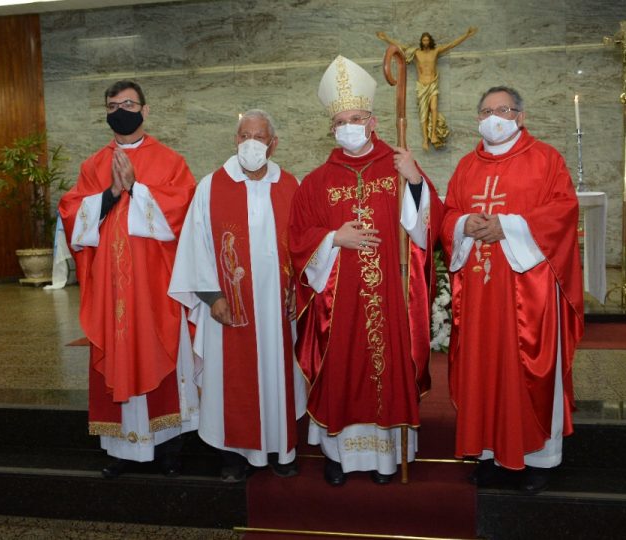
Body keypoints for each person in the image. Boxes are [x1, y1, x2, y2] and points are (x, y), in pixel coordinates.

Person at [289, 55, 443, 486]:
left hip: (390, 296)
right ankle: (337, 455)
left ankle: (386, 459)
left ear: (373, 121)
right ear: (332, 128)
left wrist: (414, 182)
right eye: (341, 120)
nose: (349, 125)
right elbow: (297, 237)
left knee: (385, 368)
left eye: (356, 117)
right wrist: (333, 238)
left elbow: (426, 228)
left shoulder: (397, 166)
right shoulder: (316, 182)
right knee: (341, 370)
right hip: (338, 304)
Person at [441, 86, 584, 494]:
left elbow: (562, 211)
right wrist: (464, 223)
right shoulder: (467, 166)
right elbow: (449, 212)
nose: (493, 117)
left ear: (520, 116)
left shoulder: (546, 159)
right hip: (481, 294)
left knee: (527, 372)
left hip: (530, 292)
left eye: (501, 109)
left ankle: (539, 458)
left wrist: (509, 225)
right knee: (483, 369)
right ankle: (488, 453)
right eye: (485, 110)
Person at [58, 80, 199, 479]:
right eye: (113, 104)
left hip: (155, 287)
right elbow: (71, 213)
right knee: (117, 358)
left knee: (161, 356)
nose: (121, 110)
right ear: (106, 112)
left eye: (129, 103)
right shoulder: (93, 165)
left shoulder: (170, 161)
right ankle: (122, 451)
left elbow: (183, 209)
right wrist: (108, 194)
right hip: (111, 290)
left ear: (145, 110)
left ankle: (171, 447)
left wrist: (137, 187)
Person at [169, 109, 306, 483]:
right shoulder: (211, 187)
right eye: (244, 135)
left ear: (273, 144)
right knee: (231, 380)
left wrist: (299, 289)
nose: (251, 143)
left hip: (279, 308)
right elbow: (194, 247)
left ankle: (282, 450)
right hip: (230, 308)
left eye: (259, 137)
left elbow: (304, 245)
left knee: (278, 376)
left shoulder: (291, 186)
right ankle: (235, 456)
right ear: (234, 140)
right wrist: (212, 296)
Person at [376, 27, 477, 150]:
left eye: (427, 40)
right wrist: (386, 38)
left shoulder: (436, 51)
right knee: (423, 113)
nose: (425, 42)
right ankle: (425, 139)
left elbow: (451, 45)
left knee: (434, 108)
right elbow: (400, 47)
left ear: (430, 41)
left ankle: (433, 133)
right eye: (423, 40)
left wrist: (466, 35)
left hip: (433, 84)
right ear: (421, 41)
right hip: (421, 86)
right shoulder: (416, 52)